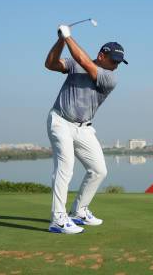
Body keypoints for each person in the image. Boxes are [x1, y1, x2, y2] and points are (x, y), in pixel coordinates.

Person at [44, 24, 127, 234]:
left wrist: (68, 37)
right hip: (61, 121)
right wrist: (61, 40)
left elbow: (83, 61)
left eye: (119, 62)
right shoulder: (75, 63)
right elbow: (50, 64)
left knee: (99, 170)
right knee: (65, 167)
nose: (116, 65)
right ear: (102, 55)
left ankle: (79, 211)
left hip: (84, 128)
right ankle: (58, 219)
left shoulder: (110, 78)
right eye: (113, 60)